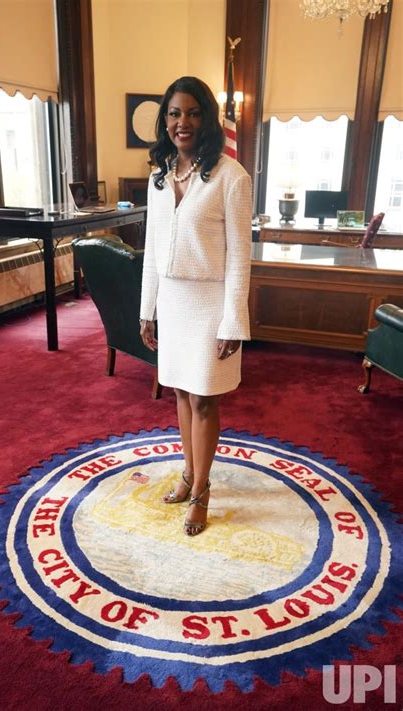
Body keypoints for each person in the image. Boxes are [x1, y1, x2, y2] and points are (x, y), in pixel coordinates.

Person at [139, 76, 252, 537]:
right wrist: (148, 309)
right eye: (173, 113)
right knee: (182, 393)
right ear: (164, 120)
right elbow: (150, 249)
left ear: (206, 119)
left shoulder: (232, 177)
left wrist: (233, 320)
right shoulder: (159, 176)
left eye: (191, 113)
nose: (181, 122)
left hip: (210, 304)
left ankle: (202, 491)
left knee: (204, 398)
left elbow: (241, 256)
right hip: (174, 301)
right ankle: (188, 475)